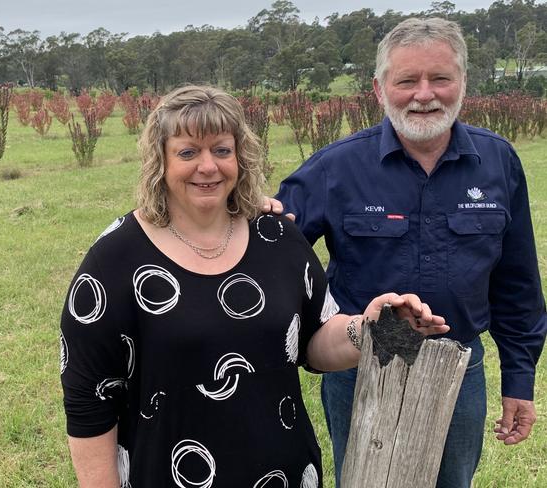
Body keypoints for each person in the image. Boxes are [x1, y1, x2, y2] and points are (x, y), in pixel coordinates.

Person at [59, 85, 448, 487]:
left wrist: (368, 328)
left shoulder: (277, 238)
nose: (208, 167)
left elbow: (315, 340)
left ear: (240, 156)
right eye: (188, 152)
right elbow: (89, 399)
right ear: (160, 161)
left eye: (222, 150)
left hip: (283, 473)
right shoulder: (117, 257)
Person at [273, 17, 547, 488]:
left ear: (462, 83)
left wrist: (518, 380)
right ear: (380, 90)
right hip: (362, 368)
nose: (425, 94)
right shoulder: (337, 167)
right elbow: (272, 249)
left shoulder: (498, 161)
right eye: (407, 81)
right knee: (364, 481)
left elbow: (517, 282)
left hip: (458, 367)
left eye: (440, 78)